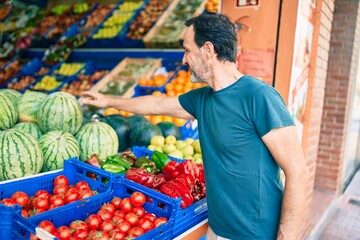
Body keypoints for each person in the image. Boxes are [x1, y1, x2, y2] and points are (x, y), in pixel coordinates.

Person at [81, 12, 310, 240]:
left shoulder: (259, 96)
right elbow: (157, 103)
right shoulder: (202, 99)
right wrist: (109, 101)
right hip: (217, 230)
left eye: (187, 50)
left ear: (208, 50)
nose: (183, 60)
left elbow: (297, 173)